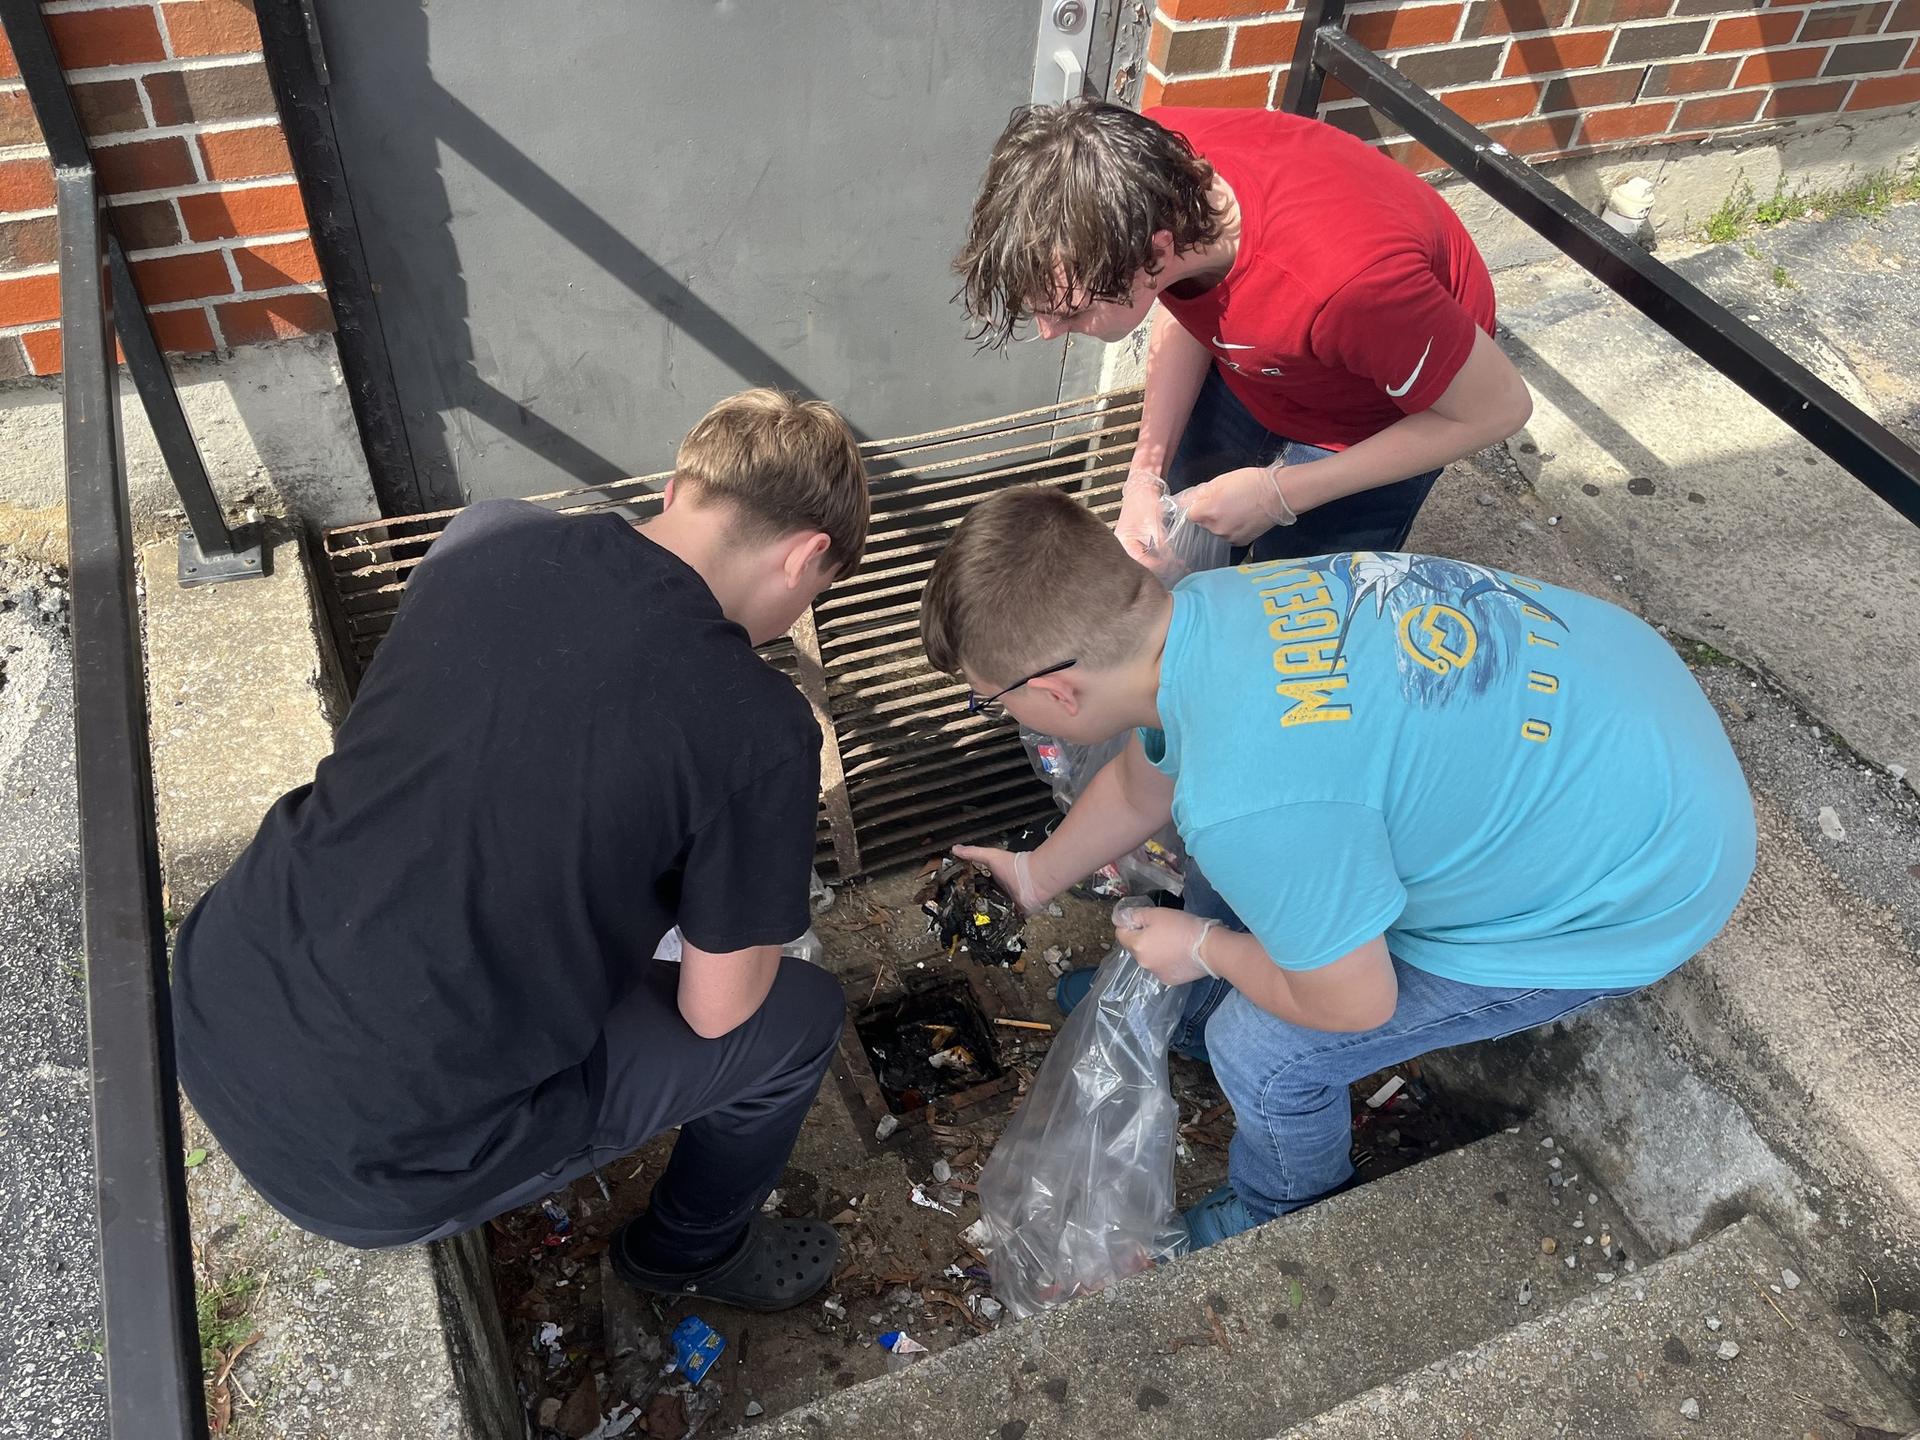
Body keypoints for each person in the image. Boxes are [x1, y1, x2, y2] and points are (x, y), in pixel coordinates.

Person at [171, 389, 867, 1311]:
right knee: (800, 1020)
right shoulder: (760, 725)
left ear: (678, 490)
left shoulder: (487, 538)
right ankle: (688, 1251)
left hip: (217, 992)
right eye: (818, 590)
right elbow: (717, 1014)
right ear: (806, 556)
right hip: (371, 1161)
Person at [921, 487, 1755, 1248]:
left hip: (1635, 887)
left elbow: (1354, 1004)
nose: (993, 711)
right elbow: (1147, 781)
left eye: (989, 699)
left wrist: (1204, 948)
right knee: (1246, 863)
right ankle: (1201, 1003)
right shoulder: (1210, 608)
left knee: (1261, 1049)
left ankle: (1282, 1206)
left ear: (1057, 693)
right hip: (1623, 703)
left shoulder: (1249, 798)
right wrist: (1034, 876)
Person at [954, 99, 1532, 567]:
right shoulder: (1138, 172)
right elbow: (1186, 304)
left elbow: (1497, 410)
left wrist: (1280, 494)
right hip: (1270, 354)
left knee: (1302, 595)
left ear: (1156, 252)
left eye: (1071, 312)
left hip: (1382, 405)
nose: (1050, 331)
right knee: (1179, 538)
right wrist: (1144, 475)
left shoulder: (1348, 286)